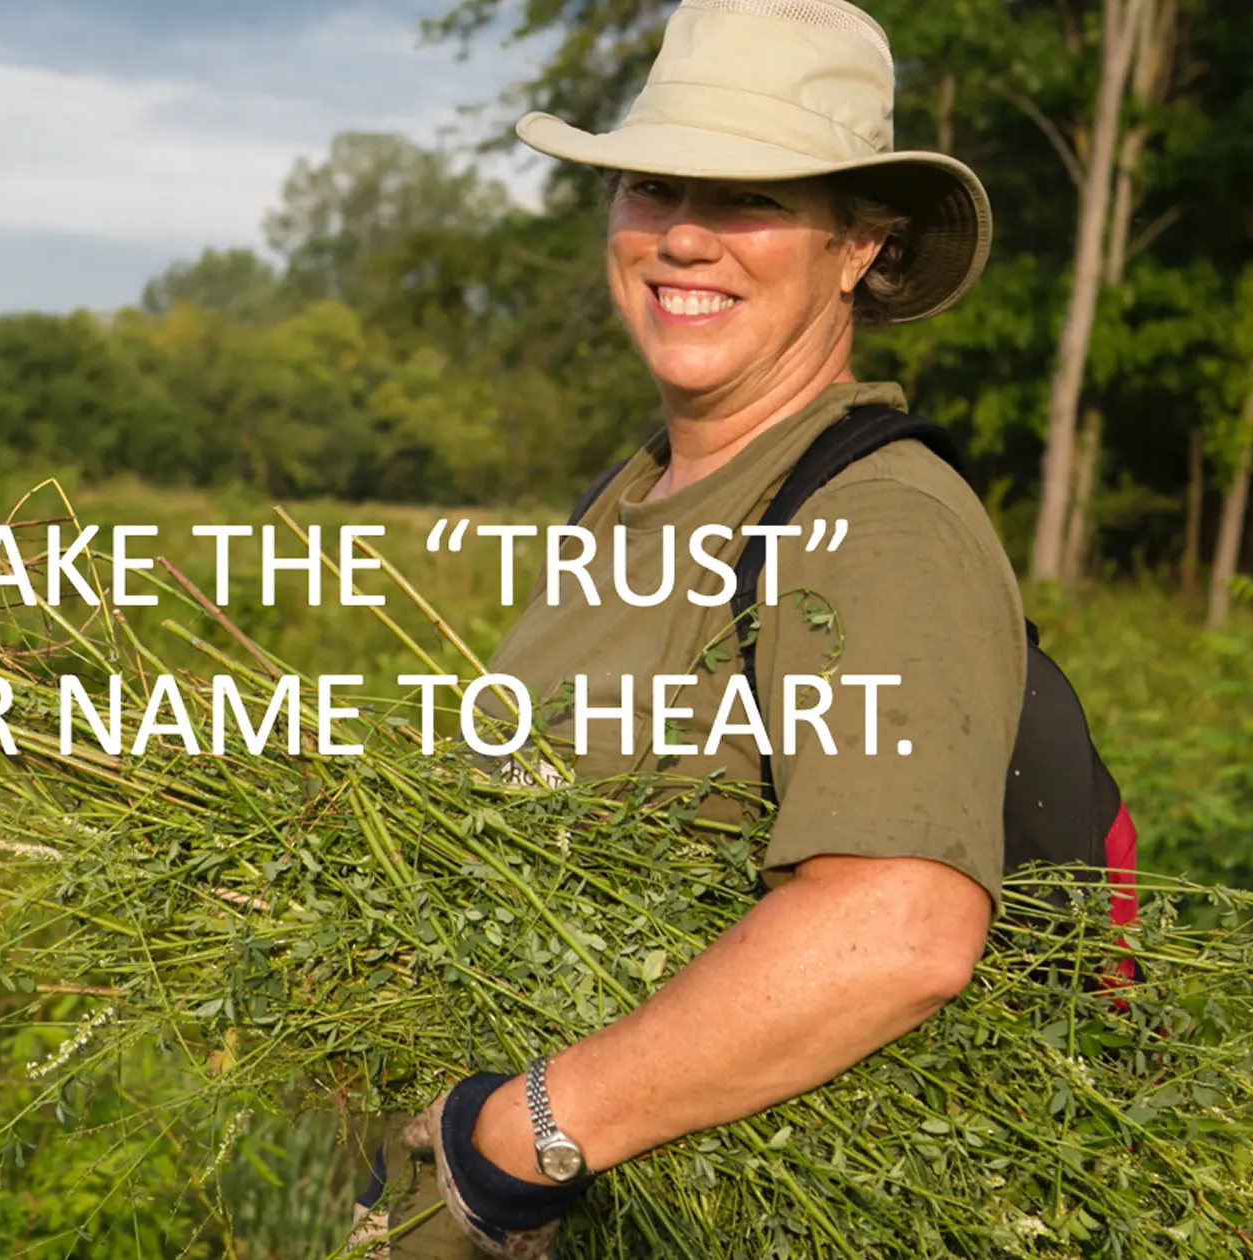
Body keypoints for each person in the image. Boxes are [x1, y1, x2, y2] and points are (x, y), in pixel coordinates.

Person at [345, 0, 1020, 1255]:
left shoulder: (871, 521)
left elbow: (898, 922)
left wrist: (520, 1138)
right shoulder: (635, 489)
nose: (686, 237)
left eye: (752, 199)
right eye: (654, 185)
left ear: (858, 246)